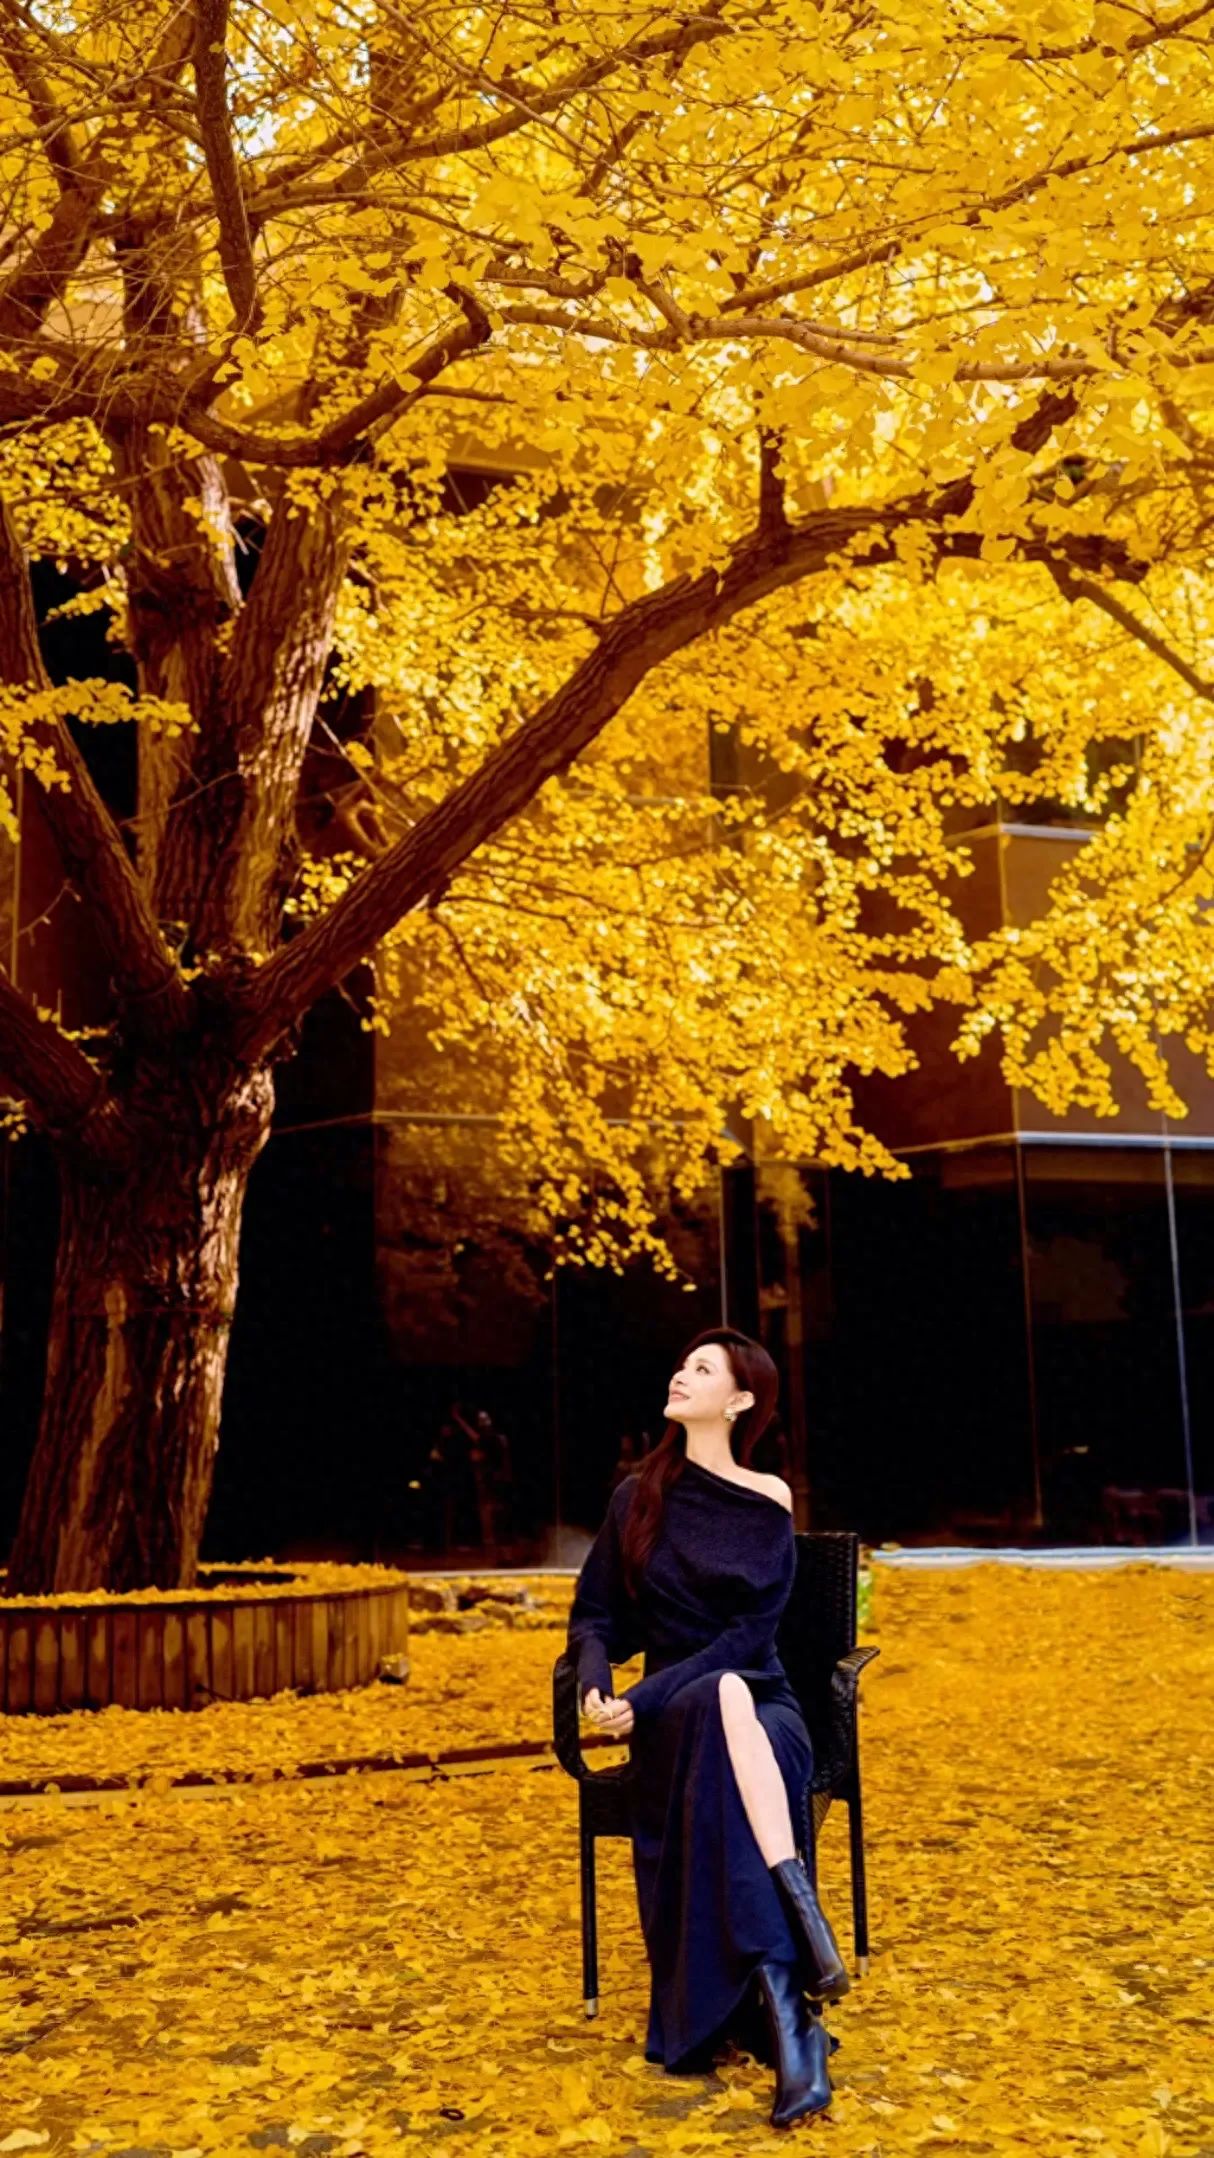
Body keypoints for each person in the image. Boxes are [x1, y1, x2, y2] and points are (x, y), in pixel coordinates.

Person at [565, 1327, 848, 2128]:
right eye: (681, 1364)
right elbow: (593, 1617)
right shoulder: (637, 1497)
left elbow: (750, 1636)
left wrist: (648, 1696)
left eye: (702, 1369)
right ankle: (798, 1967)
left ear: (741, 1400)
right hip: (677, 1721)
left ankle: (785, 2000)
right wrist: (597, 1684)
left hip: (763, 1707)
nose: (680, 1375)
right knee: (714, 1700)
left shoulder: (768, 1497)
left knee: (726, 1690)